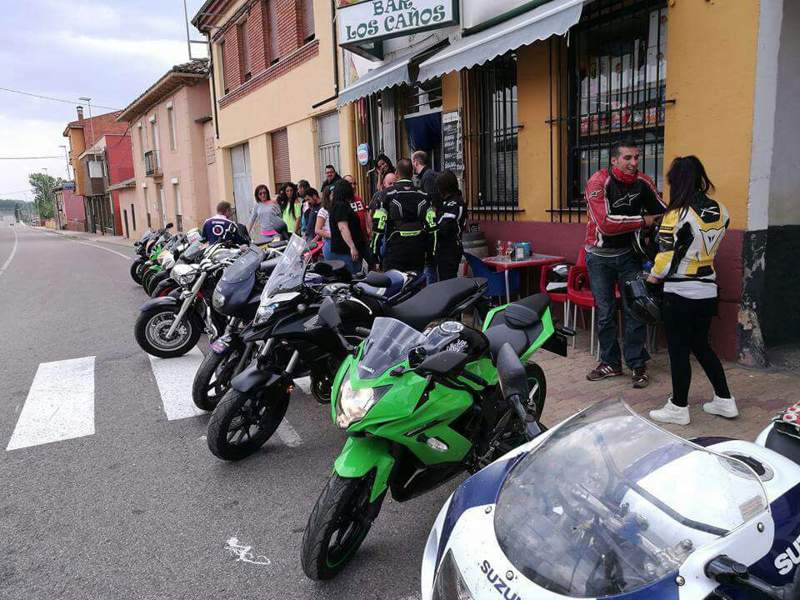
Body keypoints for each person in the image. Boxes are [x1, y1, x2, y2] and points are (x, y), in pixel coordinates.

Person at [647, 156, 735, 425]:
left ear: (677, 181)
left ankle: (678, 407)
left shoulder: (676, 214)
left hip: (680, 292)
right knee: (701, 346)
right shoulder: (721, 210)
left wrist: (651, 279)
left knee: (678, 350)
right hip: (708, 291)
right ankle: (724, 400)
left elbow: (665, 257)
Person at [583, 139, 666, 388]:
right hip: (598, 258)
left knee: (636, 309)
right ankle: (610, 363)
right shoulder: (597, 182)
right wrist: (643, 221)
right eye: (628, 158)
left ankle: (636, 363)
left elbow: (662, 211)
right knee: (605, 312)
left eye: (636, 157)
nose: (633, 163)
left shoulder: (642, 182)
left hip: (630, 256)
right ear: (614, 160)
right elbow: (605, 223)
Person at [373, 158, 435, 274]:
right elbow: (433, 228)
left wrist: (374, 253)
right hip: (418, 250)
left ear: (396, 173)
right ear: (412, 173)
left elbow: (378, 227)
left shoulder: (386, 194)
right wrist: (431, 254)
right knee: (417, 287)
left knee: (394, 287)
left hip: (395, 251)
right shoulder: (424, 195)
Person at [433, 170, 467, 281]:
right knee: (443, 278)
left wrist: (433, 224)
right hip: (442, 246)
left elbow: (444, 227)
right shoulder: (445, 202)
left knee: (448, 279)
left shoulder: (455, 203)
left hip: (450, 247)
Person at [329, 179, 367, 274]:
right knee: (354, 276)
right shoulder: (341, 206)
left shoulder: (337, 205)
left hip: (343, 250)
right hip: (346, 251)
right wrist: (352, 247)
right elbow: (343, 228)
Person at [315, 187, 333, 259]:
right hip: (329, 242)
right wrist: (332, 235)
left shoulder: (339, 208)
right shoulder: (323, 210)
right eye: (332, 194)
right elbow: (317, 230)